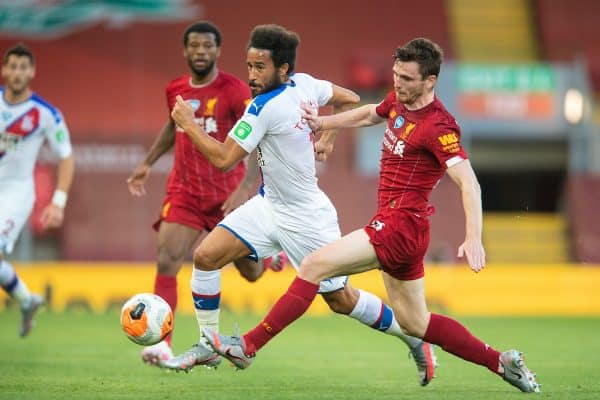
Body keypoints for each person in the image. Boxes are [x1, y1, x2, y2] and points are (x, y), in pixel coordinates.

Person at [203, 38, 542, 394]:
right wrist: (324, 121)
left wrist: (474, 236)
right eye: (396, 75)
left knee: (313, 267)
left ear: (430, 81)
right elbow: (369, 113)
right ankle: (501, 362)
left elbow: (469, 182)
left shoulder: (439, 126)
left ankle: (248, 345)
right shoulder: (399, 100)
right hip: (405, 232)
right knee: (416, 323)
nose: (398, 83)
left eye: (408, 79)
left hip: (398, 226)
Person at [165, 24, 438, 386]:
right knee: (205, 257)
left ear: (283, 70)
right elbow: (348, 97)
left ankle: (413, 337)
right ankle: (208, 343)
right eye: (249, 66)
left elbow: (223, 159)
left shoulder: (263, 107)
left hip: (307, 216)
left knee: (342, 300)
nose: (252, 76)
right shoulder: (307, 83)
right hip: (268, 204)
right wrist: (328, 137)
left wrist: (188, 123)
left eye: (260, 68)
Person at [126, 21, 287, 368]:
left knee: (252, 273)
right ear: (185, 51)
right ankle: (162, 345)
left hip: (227, 196)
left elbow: (259, 135)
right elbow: (174, 127)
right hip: (184, 191)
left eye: (207, 46)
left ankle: (271, 257)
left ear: (217, 51)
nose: (200, 51)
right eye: (194, 46)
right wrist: (146, 162)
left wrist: (246, 186)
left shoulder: (234, 91)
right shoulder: (175, 89)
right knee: (168, 258)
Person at [0, 43, 74, 337]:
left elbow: (66, 157)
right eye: (12, 66)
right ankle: (28, 300)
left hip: (16, 193)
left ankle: (27, 300)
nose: (17, 73)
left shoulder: (46, 114)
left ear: (31, 72)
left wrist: (58, 202)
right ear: (4, 69)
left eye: (23, 67)